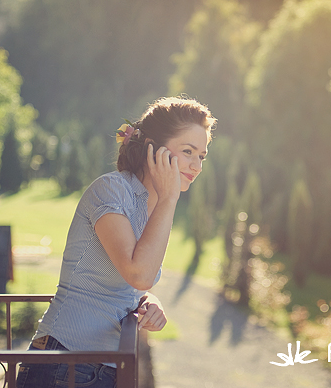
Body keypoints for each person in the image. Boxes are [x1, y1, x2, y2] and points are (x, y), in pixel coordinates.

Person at [16, 96, 216, 388]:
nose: (196, 166)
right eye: (188, 151)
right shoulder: (111, 190)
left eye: (202, 156)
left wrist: (148, 302)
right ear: (154, 149)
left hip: (104, 369)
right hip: (63, 361)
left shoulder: (154, 206)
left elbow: (131, 284)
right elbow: (139, 273)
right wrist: (170, 198)